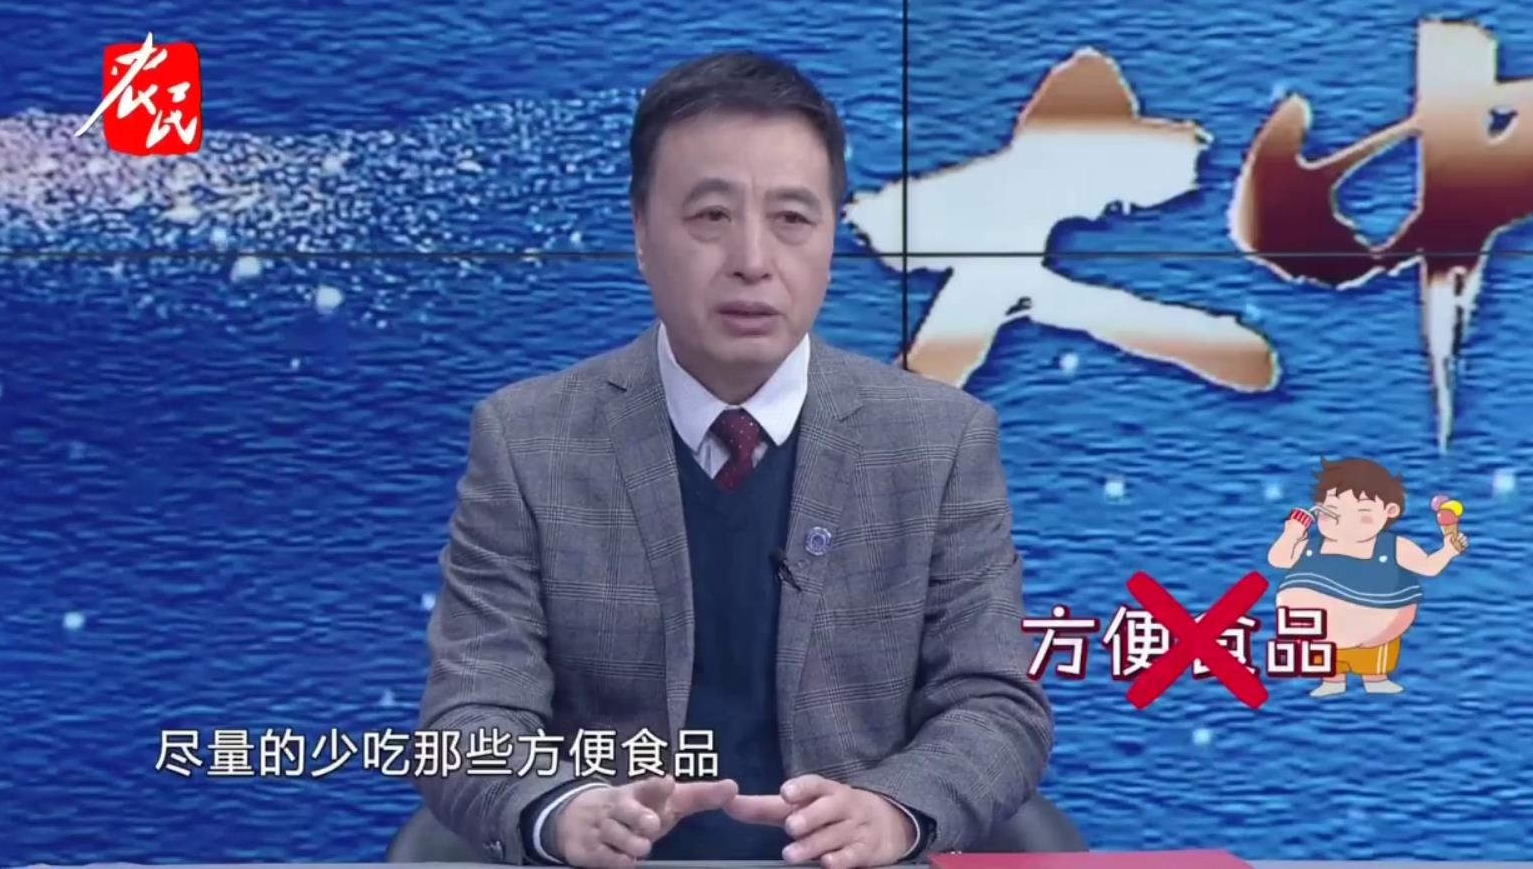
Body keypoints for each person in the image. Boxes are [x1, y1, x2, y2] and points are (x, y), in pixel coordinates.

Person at [413, 49, 1053, 868]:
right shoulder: (527, 440)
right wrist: (562, 810)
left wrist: (892, 811)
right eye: (711, 216)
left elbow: (995, 707)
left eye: (792, 218)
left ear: (831, 238)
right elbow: (469, 716)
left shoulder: (938, 443)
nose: (753, 259)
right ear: (641, 233)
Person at [1268, 457, 1468, 698]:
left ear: (1389, 512)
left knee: (1375, 653)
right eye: (1332, 514)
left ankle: (1375, 678)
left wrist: (1448, 551)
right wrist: (1291, 534)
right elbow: (1279, 559)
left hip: (1376, 622)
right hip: (1323, 631)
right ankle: (1332, 679)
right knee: (1331, 655)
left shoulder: (1392, 547)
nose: (1346, 525)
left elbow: (1427, 567)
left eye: (1362, 516)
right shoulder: (1313, 546)